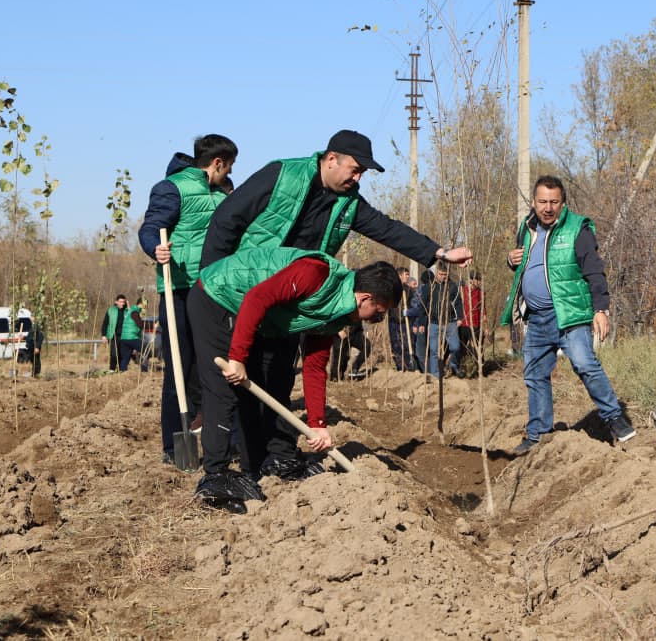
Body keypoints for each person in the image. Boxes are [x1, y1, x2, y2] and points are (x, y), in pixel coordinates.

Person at [199, 129, 472, 477]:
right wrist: (213, 276)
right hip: (248, 291)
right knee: (249, 372)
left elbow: (386, 228)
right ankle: (241, 458)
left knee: (282, 373)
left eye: (362, 174)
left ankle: (279, 454)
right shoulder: (282, 174)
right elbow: (227, 219)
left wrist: (437, 253)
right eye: (354, 170)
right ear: (331, 159)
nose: (357, 179)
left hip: (299, 300)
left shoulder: (348, 203)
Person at [189, 250, 400, 512]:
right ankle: (216, 477)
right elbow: (257, 297)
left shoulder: (336, 315)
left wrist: (318, 424)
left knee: (265, 386)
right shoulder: (316, 273)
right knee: (224, 391)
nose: (375, 321)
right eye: (377, 314)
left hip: (255, 314)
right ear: (365, 298)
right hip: (219, 294)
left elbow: (313, 367)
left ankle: (258, 467)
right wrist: (237, 357)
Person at [500, 175, 635, 455]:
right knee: (535, 375)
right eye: (542, 202)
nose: (548, 208)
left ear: (563, 203)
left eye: (554, 202)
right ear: (534, 202)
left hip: (570, 315)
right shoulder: (527, 229)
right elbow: (527, 265)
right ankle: (538, 435)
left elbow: (594, 269)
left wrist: (601, 309)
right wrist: (512, 261)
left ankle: (615, 419)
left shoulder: (578, 228)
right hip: (536, 318)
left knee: (585, 364)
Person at [138, 133, 238, 466]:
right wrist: (156, 247)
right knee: (179, 367)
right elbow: (150, 228)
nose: (229, 173)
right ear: (218, 163)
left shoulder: (225, 192)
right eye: (229, 166)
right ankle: (173, 447)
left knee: (213, 366)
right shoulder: (172, 188)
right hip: (178, 288)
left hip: (214, 289)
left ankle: (215, 436)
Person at [417, 264, 461, 377]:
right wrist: (421, 323)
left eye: (445, 275)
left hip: (450, 322)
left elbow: (458, 302)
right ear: (436, 273)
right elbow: (423, 306)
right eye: (441, 274)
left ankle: (452, 365)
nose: (443, 277)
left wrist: (460, 317)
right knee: (434, 350)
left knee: (455, 347)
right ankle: (436, 374)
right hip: (434, 323)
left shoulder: (452, 286)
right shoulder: (429, 287)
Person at [101, 295, 143, 372]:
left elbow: (133, 322)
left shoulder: (127, 311)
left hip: (124, 336)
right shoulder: (111, 310)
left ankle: (121, 370)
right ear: (116, 302)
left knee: (123, 354)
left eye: (123, 302)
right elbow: (105, 323)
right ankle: (112, 369)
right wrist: (104, 335)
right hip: (114, 335)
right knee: (114, 354)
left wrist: (128, 306)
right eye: (120, 302)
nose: (122, 303)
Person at [388, 267, 417, 371]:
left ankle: (409, 366)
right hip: (393, 320)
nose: (408, 277)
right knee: (395, 344)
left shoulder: (408, 290)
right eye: (406, 275)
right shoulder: (392, 289)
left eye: (408, 275)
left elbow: (414, 305)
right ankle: (400, 367)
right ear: (400, 275)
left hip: (405, 321)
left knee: (407, 343)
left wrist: (409, 313)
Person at [458, 270, 485, 376]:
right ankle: (463, 369)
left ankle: (480, 370)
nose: (478, 283)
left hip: (477, 324)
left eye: (479, 281)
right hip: (464, 324)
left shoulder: (481, 293)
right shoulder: (463, 290)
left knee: (478, 348)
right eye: (476, 280)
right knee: (463, 348)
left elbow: (484, 309)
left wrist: (485, 325)